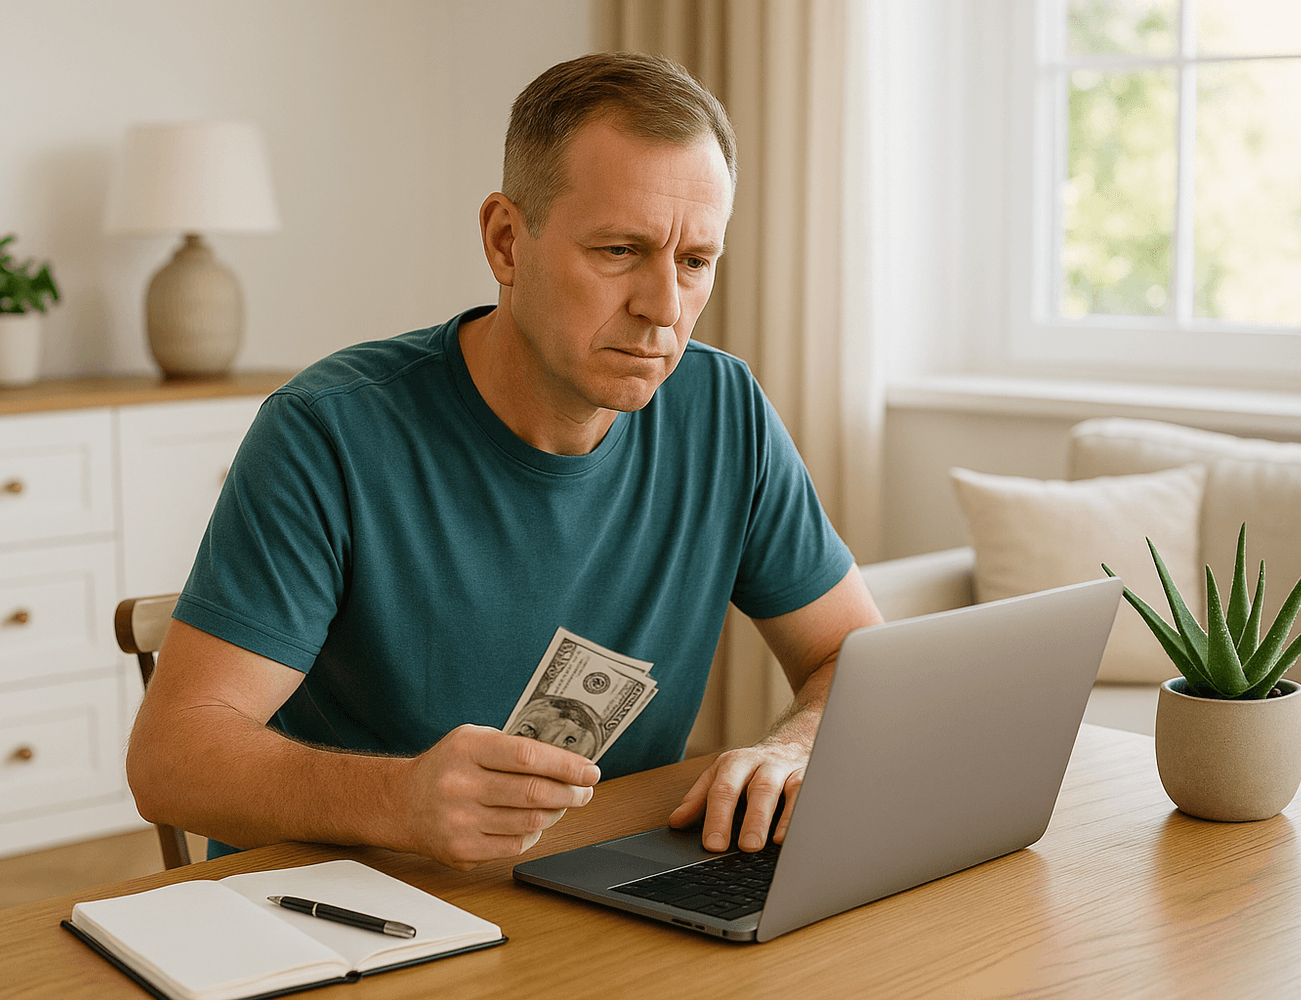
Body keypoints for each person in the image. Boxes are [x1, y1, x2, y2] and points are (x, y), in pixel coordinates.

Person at [126, 51, 883, 872]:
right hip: (343, 909)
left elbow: (852, 655)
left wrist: (796, 748)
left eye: (694, 261)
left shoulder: (724, 410)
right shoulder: (328, 432)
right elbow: (171, 761)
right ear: (505, 241)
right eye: (620, 251)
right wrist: (400, 800)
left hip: (601, 891)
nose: (664, 307)